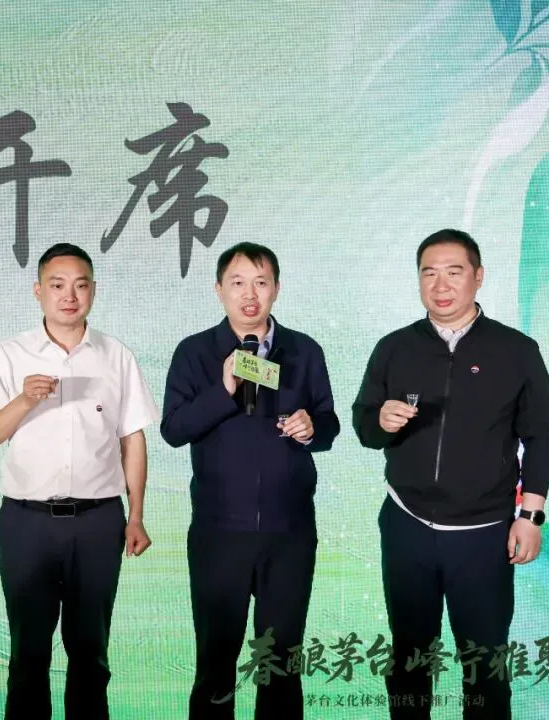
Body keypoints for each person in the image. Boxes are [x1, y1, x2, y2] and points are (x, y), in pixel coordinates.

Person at [352, 229, 549, 720]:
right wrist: (380, 421)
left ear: (478, 277)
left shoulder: (516, 350)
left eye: (454, 272)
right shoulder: (394, 348)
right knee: (409, 658)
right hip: (407, 526)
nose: (440, 285)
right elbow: (364, 426)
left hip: (483, 533)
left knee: (485, 665)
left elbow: (541, 436)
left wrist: (530, 515)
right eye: (429, 273)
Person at [0, 242, 158, 719]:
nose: (69, 296)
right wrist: (23, 401)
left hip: (98, 522)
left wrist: (136, 515)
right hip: (26, 522)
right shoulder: (8, 355)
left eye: (80, 285)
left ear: (93, 290)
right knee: (28, 652)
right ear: (38, 291)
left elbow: (132, 439)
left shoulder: (116, 356)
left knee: (91, 653)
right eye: (57, 285)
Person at [161, 242, 340, 719]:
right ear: (219, 289)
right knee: (215, 663)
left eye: (261, 283)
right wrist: (223, 390)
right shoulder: (195, 352)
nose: (249, 295)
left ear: (276, 289)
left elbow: (329, 424)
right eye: (238, 283)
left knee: (280, 663)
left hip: (289, 533)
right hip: (220, 533)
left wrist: (312, 427)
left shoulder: (303, 351)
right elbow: (173, 430)